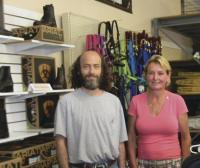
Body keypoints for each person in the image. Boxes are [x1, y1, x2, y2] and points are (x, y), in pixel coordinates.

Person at [54, 50, 128, 168]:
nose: (91, 71)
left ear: (102, 70)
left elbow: (120, 141)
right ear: (79, 70)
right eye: (86, 67)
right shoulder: (66, 102)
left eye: (96, 66)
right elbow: (60, 142)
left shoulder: (114, 101)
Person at [127, 55, 191, 168]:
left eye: (160, 73)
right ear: (145, 76)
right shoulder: (135, 101)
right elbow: (131, 136)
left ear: (168, 75)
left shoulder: (177, 101)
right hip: (143, 164)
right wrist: (132, 164)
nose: (155, 77)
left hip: (173, 164)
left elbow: (186, 137)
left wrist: (186, 164)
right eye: (151, 73)